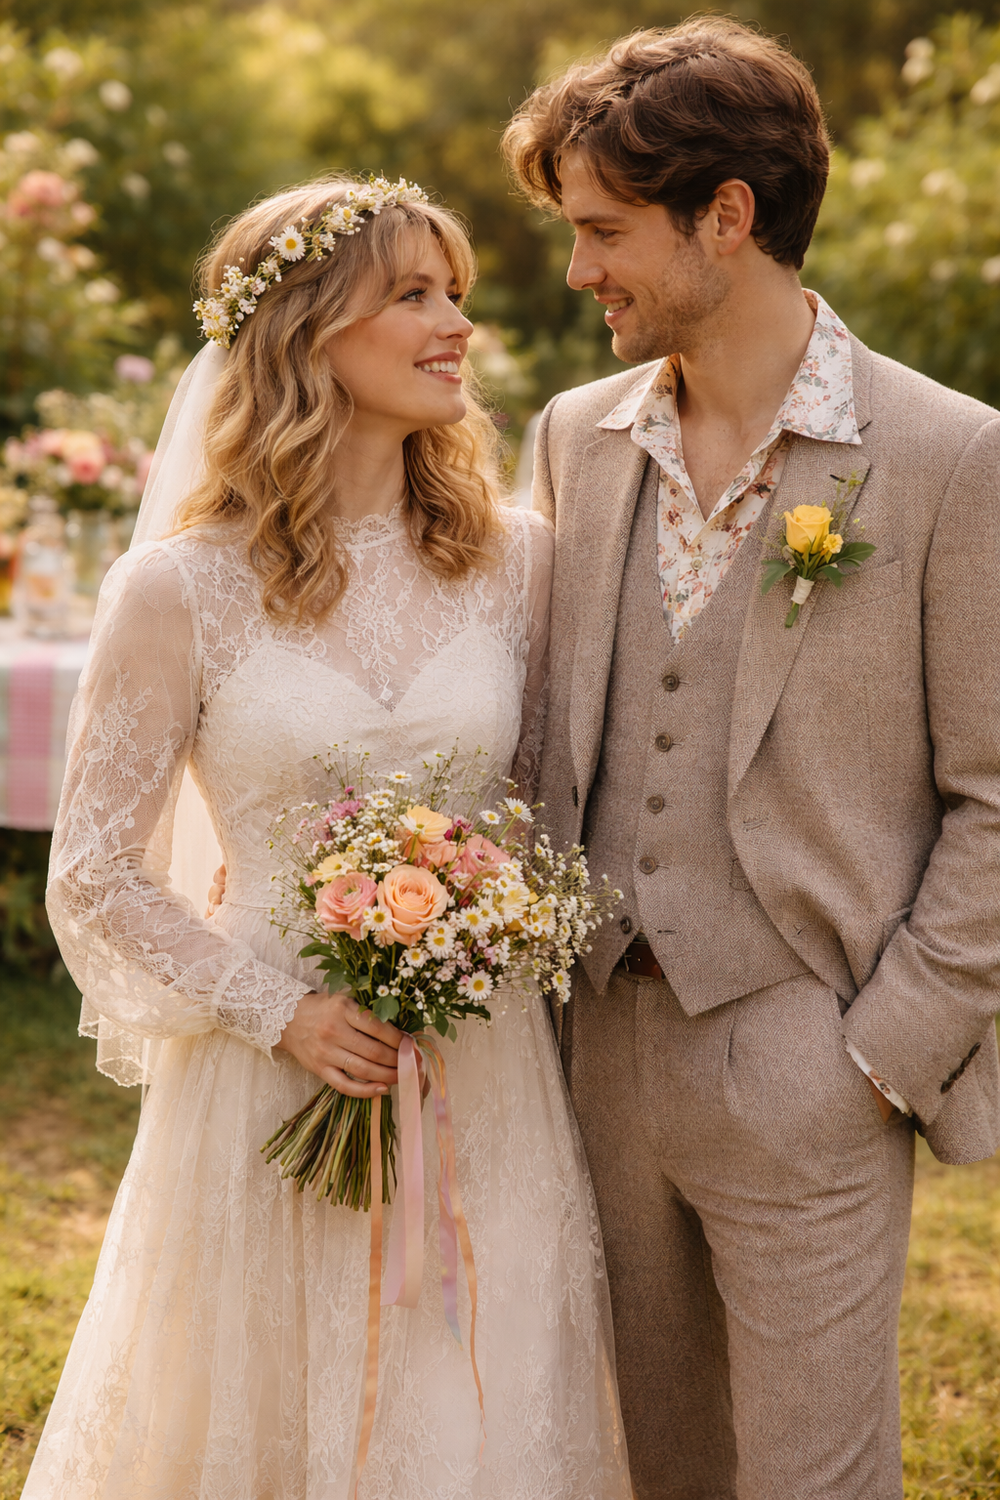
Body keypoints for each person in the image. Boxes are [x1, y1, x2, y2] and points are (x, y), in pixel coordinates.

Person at [25, 177, 630, 1499]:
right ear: (307, 333)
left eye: (455, 293)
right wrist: (282, 1012)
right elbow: (97, 875)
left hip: (484, 1066)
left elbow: (535, 810)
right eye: (412, 293)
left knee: (478, 1399)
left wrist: (480, 925)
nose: (454, 324)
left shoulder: (520, 562)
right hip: (270, 1076)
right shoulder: (176, 589)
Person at [502, 18, 1000, 1500]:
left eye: (604, 231)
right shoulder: (571, 437)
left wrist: (878, 1054)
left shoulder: (949, 455)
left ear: (728, 215)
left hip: (810, 1059)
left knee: (813, 1481)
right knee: (650, 1464)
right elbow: (541, 749)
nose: (579, 269)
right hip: (595, 1051)